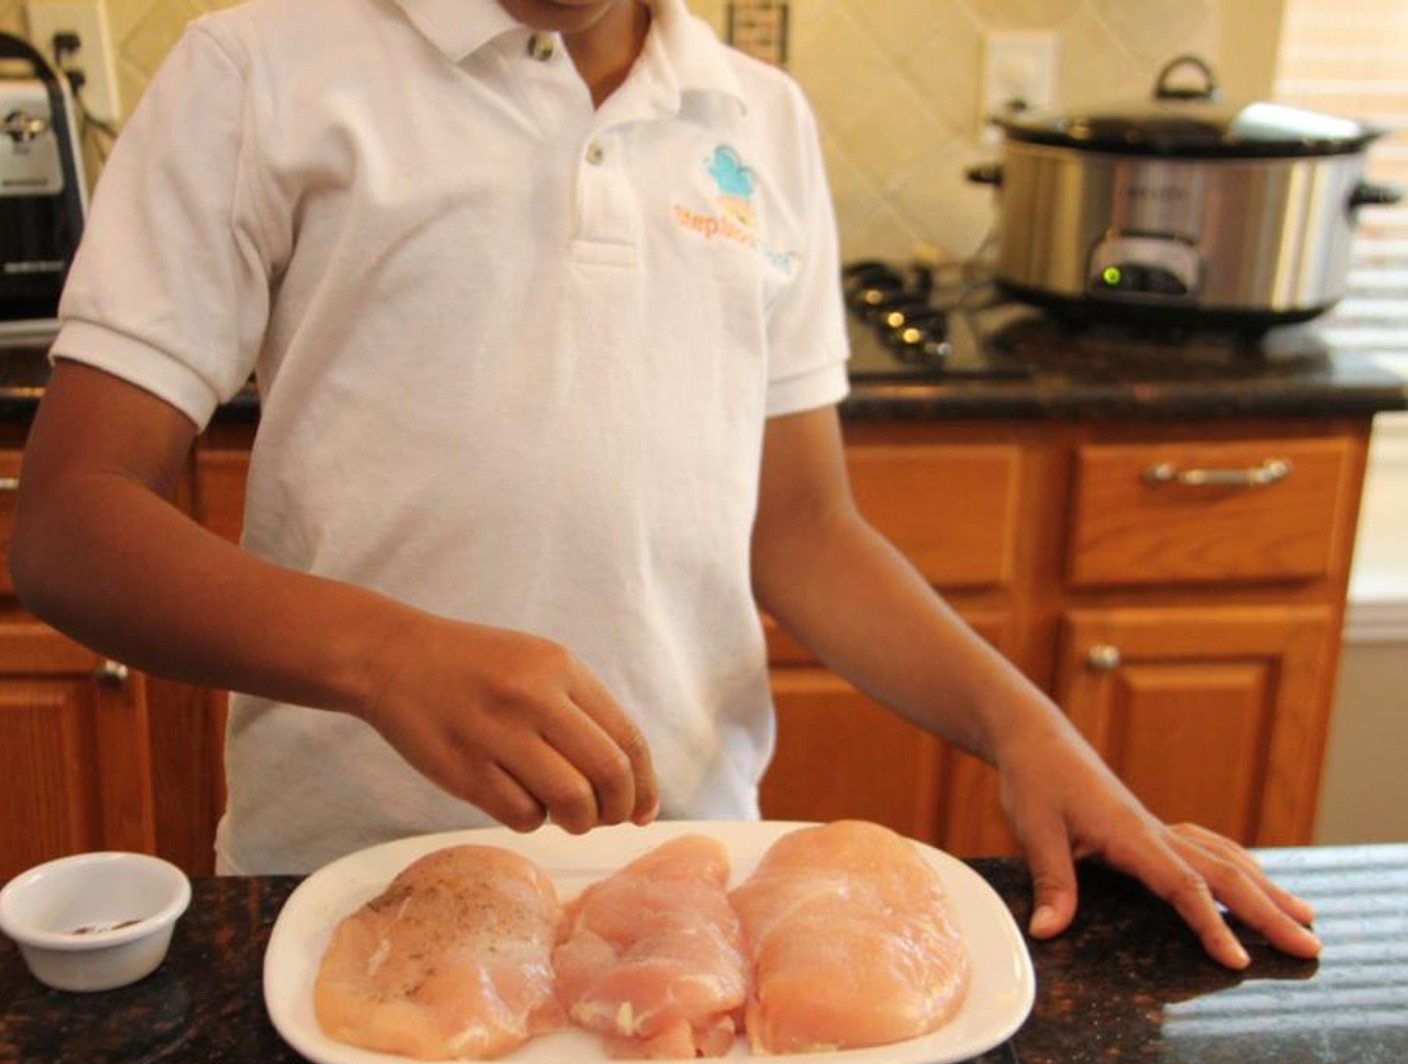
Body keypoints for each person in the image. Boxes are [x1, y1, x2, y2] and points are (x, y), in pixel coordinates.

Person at [10, 0, 1320, 970]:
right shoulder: (265, 71)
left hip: (692, 889)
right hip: (352, 891)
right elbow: (70, 522)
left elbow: (802, 527)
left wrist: (1031, 729)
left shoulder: (757, 117)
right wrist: (385, 657)